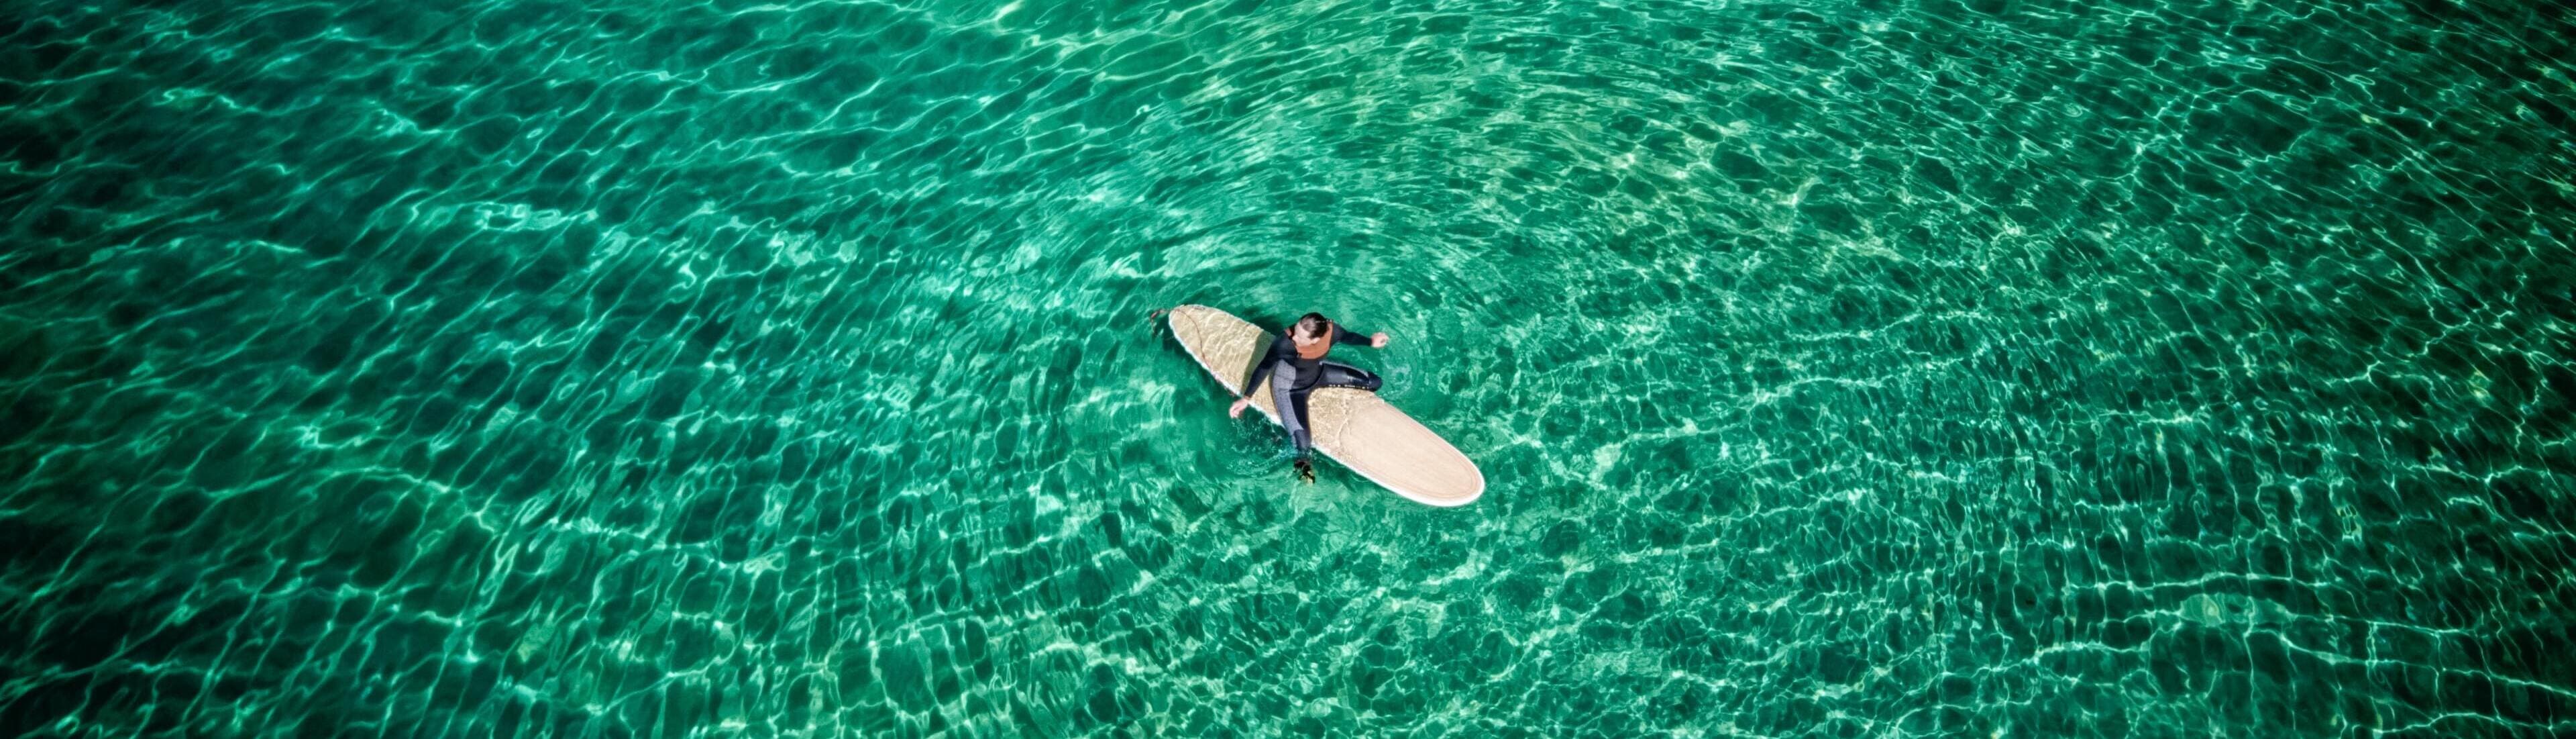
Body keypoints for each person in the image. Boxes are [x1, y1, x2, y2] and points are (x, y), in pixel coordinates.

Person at [1229, 312, 1390, 483]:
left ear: (1315, 340)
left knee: (1374, 382)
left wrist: (1371, 342)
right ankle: (1299, 468)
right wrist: (1246, 398)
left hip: (1319, 374)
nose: (1294, 337)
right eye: (1295, 330)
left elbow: (1348, 337)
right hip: (1290, 389)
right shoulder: (1283, 343)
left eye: (1300, 337)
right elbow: (1264, 367)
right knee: (1303, 445)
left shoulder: (1332, 331)